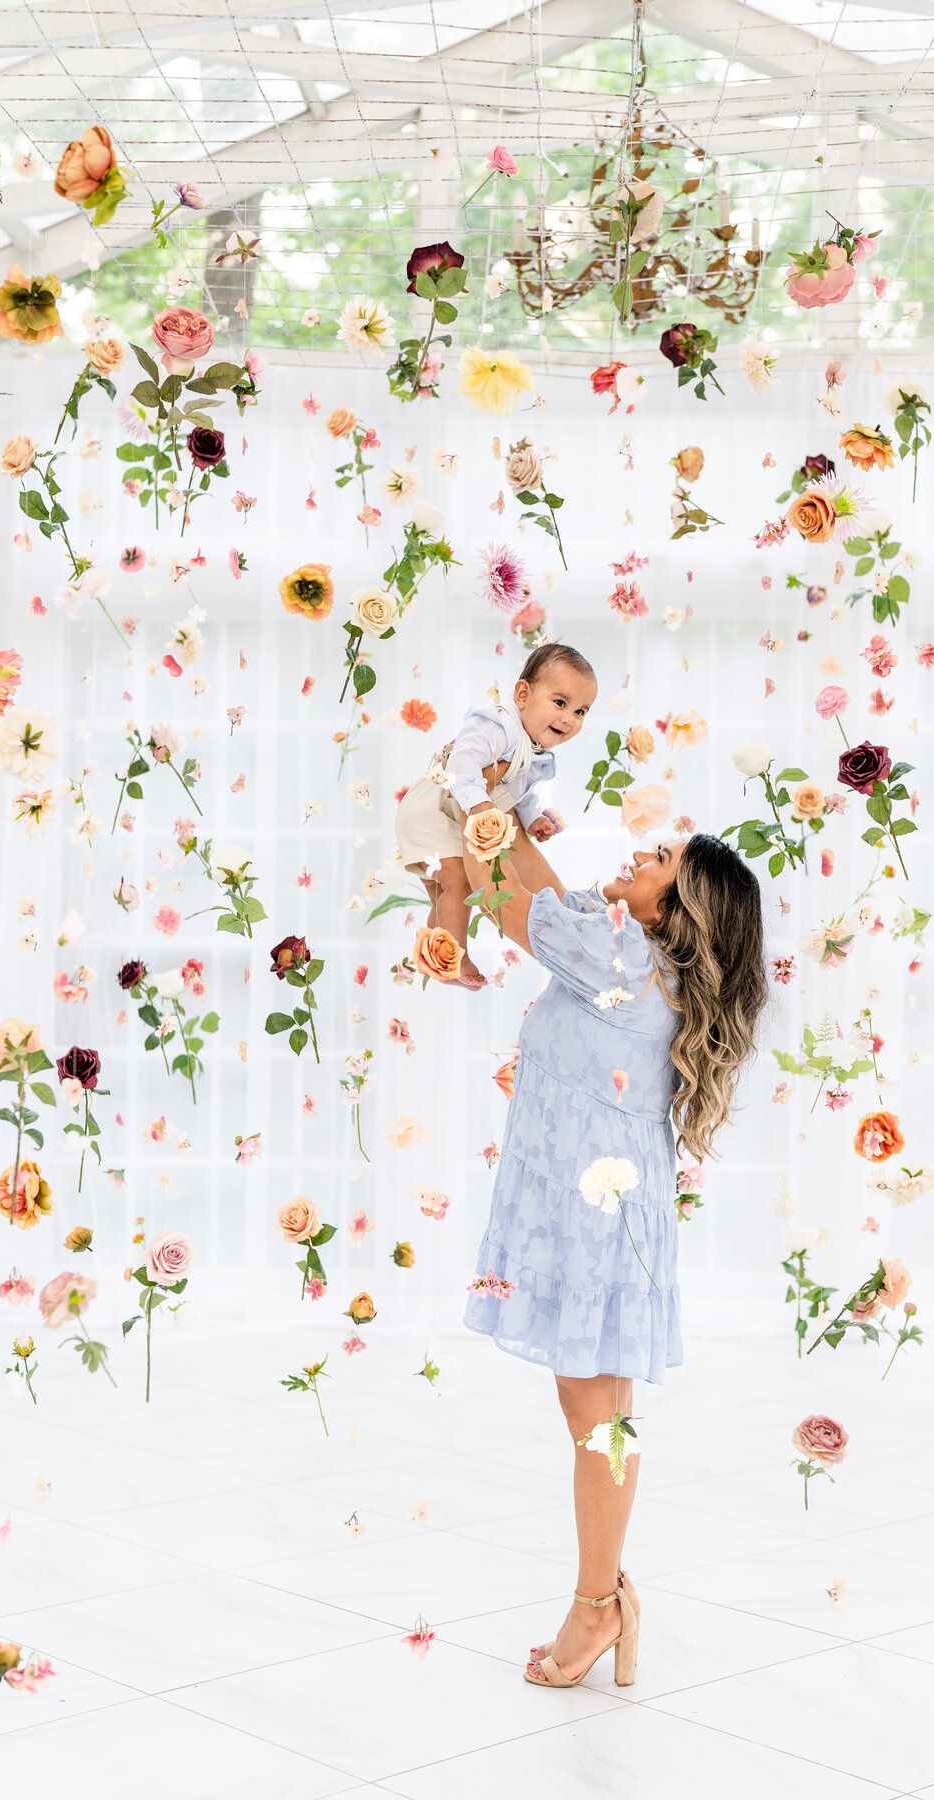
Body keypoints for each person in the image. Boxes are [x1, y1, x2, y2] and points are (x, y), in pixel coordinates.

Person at [462, 826, 767, 1688]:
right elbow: (537, 883)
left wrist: (469, 799)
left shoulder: (623, 960)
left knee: (597, 1418)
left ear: (676, 904)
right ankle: (606, 1597)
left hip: (597, 1211)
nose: (642, 853)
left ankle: (599, 1606)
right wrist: (507, 817)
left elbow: (501, 895)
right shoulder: (627, 953)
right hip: (602, 1205)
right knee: (600, 1415)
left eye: (661, 860)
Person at [394, 644, 596, 988]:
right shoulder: (498, 725)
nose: (568, 718)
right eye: (560, 703)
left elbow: (519, 792)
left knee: (445, 895)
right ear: (522, 694)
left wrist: (531, 819)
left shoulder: (534, 749)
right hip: (432, 810)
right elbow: (461, 762)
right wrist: (478, 805)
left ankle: (438, 959)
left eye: (580, 711)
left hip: (448, 814)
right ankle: (457, 958)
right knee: (460, 884)